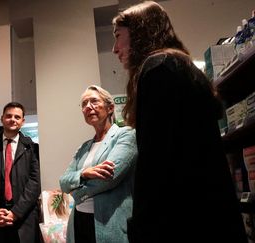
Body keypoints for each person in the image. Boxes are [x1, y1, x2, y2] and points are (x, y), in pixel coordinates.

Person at [112, 1, 247, 243]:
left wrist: (142, 226)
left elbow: (156, 163)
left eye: (118, 36)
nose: (114, 48)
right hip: (210, 216)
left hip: (183, 222)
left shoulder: (156, 69)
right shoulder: (180, 65)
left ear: (140, 31)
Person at [59, 85, 137, 243]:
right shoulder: (84, 147)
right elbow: (63, 182)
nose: (88, 107)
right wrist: (83, 174)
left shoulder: (126, 135)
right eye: (84, 104)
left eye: (94, 101)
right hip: (79, 221)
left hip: (108, 223)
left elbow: (108, 179)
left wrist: (76, 193)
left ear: (110, 108)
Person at [0, 102, 41, 243]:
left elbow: (35, 183)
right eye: (9, 116)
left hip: (25, 216)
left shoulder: (33, 148)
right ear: (2, 118)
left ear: (23, 121)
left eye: (17, 117)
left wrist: (16, 213)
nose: (13, 119)